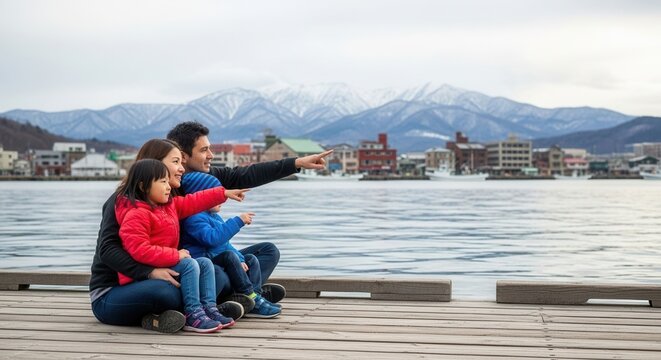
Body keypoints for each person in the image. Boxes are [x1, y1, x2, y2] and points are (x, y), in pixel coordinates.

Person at [166, 121, 332, 311]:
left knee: (267, 251)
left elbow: (246, 174)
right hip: (194, 265)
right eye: (204, 150)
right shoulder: (164, 186)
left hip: (217, 256)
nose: (211, 155)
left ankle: (247, 293)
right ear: (184, 156)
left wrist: (296, 163)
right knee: (216, 272)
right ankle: (247, 293)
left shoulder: (210, 177)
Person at [90, 139, 244, 333]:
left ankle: (201, 310)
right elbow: (109, 250)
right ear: (153, 165)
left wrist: (223, 193)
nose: (181, 168)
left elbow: (192, 201)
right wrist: (149, 272)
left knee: (215, 273)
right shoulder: (124, 203)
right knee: (166, 293)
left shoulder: (166, 201)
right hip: (114, 291)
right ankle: (189, 313)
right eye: (176, 162)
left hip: (156, 272)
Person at [180, 172, 281, 318]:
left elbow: (225, 244)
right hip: (207, 263)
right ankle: (249, 295)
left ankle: (254, 297)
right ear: (202, 196)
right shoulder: (193, 218)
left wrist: (240, 259)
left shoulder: (214, 216)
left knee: (251, 258)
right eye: (216, 195)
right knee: (229, 256)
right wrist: (237, 221)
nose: (223, 198)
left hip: (219, 258)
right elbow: (212, 239)